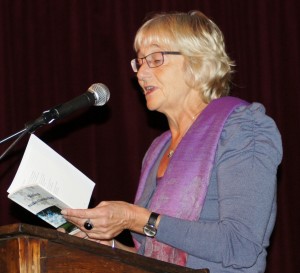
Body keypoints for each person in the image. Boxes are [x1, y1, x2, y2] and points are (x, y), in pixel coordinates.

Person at [61, 11, 283, 272]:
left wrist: (134, 217)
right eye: (139, 62)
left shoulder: (243, 128)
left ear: (198, 63)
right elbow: (151, 256)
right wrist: (105, 245)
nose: (141, 74)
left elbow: (240, 245)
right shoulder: (158, 149)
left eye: (155, 59)